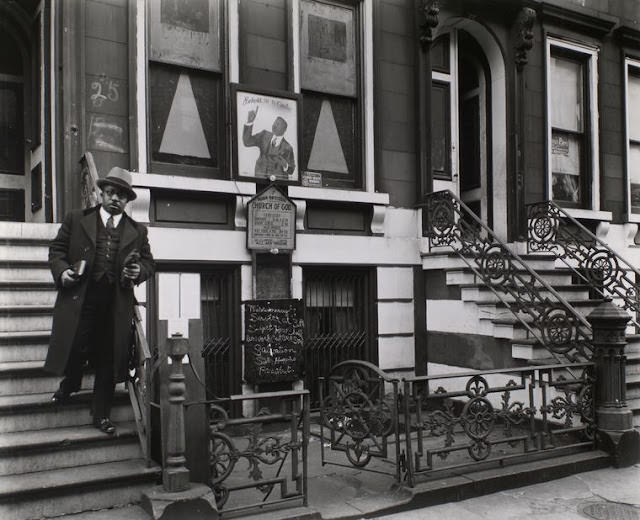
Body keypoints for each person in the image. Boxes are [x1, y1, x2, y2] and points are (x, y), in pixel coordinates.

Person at [45, 167, 155, 435]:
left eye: (121, 195)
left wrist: (137, 271)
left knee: (108, 357)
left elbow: (149, 262)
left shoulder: (137, 231)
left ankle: (101, 414)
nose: (115, 198)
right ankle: (70, 383)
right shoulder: (76, 219)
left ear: (128, 200)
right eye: (110, 193)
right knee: (73, 346)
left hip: (115, 304)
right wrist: (63, 272)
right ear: (101, 194)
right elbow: (56, 250)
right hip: (81, 298)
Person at [243, 107, 296, 178]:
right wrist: (249, 122)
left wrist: (285, 165)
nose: (274, 125)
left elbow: (291, 170)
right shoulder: (264, 135)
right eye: (274, 122)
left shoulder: (288, 147)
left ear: (284, 129)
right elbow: (247, 142)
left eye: (278, 124)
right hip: (260, 178)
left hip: (278, 182)